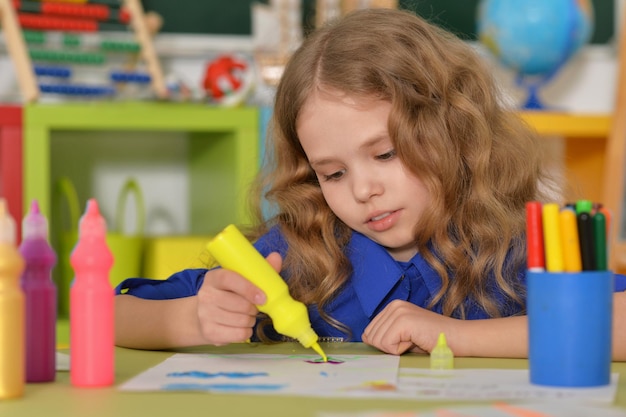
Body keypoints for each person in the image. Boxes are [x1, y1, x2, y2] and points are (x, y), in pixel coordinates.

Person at [114, 8, 626, 360]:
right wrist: (193, 320)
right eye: (332, 173)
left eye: (385, 153)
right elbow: (111, 315)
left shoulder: (516, 244)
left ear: (453, 130)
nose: (362, 190)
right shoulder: (302, 251)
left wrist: (459, 337)